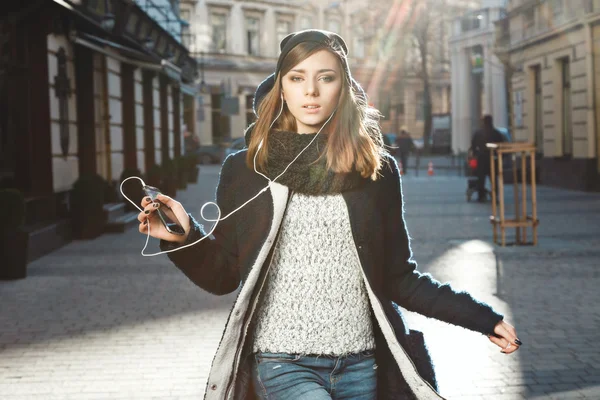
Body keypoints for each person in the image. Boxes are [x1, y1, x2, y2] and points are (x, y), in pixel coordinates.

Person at [137, 30, 520, 400]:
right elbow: (224, 274)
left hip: (362, 365)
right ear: (280, 87)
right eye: (297, 77)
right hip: (281, 362)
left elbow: (399, 278)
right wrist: (182, 237)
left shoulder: (376, 170)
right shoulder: (248, 168)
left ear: (344, 87)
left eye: (326, 77)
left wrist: (481, 318)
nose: (311, 91)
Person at [470, 115, 506, 202]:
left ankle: (481, 196)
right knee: (494, 179)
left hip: (481, 159)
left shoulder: (478, 133)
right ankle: (495, 195)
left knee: (481, 179)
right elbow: (501, 146)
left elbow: (473, 146)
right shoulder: (496, 133)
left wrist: (475, 155)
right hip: (493, 159)